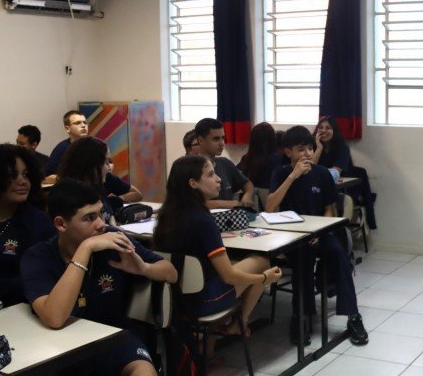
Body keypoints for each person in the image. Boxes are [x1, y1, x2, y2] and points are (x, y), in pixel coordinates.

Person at [7, 179, 177, 376]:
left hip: (113, 339)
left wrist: (144, 268)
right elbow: (55, 317)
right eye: (89, 218)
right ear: (61, 224)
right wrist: (85, 250)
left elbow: (171, 272)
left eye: (100, 214)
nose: (100, 224)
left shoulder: (115, 242)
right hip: (59, 354)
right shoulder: (38, 258)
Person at [153, 155, 281, 333]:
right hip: (203, 301)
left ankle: (212, 344)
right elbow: (228, 276)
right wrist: (264, 279)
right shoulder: (202, 220)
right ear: (193, 183)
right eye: (211, 174)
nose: (218, 179)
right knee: (262, 262)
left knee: (237, 263)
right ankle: (239, 324)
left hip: (173, 298)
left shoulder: (166, 215)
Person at [266, 126, 368, 346]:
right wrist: (292, 177)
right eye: (301, 150)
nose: (307, 155)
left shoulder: (322, 174)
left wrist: (320, 232)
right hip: (293, 236)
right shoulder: (281, 173)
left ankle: (353, 316)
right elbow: (270, 206)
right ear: (288, 152)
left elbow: (329, 209)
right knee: (302, 262)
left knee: (340, 257)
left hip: (321, 233)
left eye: (310, 149)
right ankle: (301, 316)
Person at [0, 144, 55, 307]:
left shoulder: (38, 223)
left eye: (25, 175)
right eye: (12, 175)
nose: (22, 181)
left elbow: (35, 280)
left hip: (20, 310)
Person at [194, 118, 255, 209]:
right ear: (201, 140)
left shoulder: (225, 163)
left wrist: (247, 196)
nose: (221, 143)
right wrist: (230, 204)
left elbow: (248, 185)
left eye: (223, 138)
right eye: (216, 139)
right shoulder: (191, 167)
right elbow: (193, 203)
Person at [58, 137, 117, 224]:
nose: (109, 168)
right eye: (106, 162)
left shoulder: (97, 186)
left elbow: (109, 215)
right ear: (92, 165)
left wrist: (115, 229)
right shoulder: (70, 198)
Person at [44, 110, 89, 178]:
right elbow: (47, 175)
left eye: (85, 123)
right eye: (77, 123)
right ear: (68, 128)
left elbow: (109, 165)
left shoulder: (96, 145)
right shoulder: (61, 148)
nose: (83, 125)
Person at [312, 116, 351, 182]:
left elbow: (335, 173)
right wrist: (319, 148)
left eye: (328, 128)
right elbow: (309, 168)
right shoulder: (311, 145)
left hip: (331, 181)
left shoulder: (343, 147)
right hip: (313, 179)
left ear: (334, 131)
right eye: (320, 127)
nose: (323, 130)